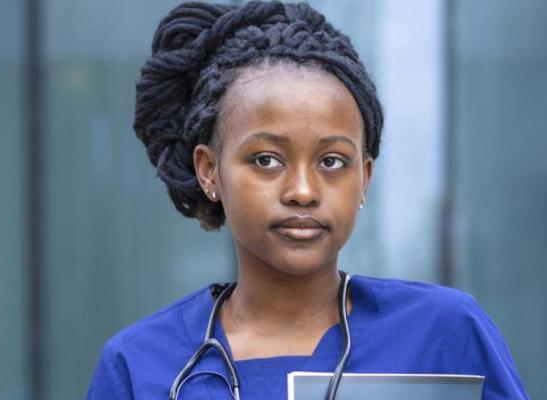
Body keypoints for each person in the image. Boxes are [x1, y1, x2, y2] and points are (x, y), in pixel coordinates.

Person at [87, 1, 528, 399]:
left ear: (365, 177)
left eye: (332, 161)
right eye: (266, 159)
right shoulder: (137, 364)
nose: (302, 191)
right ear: (209, 171)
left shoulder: (444, 332)